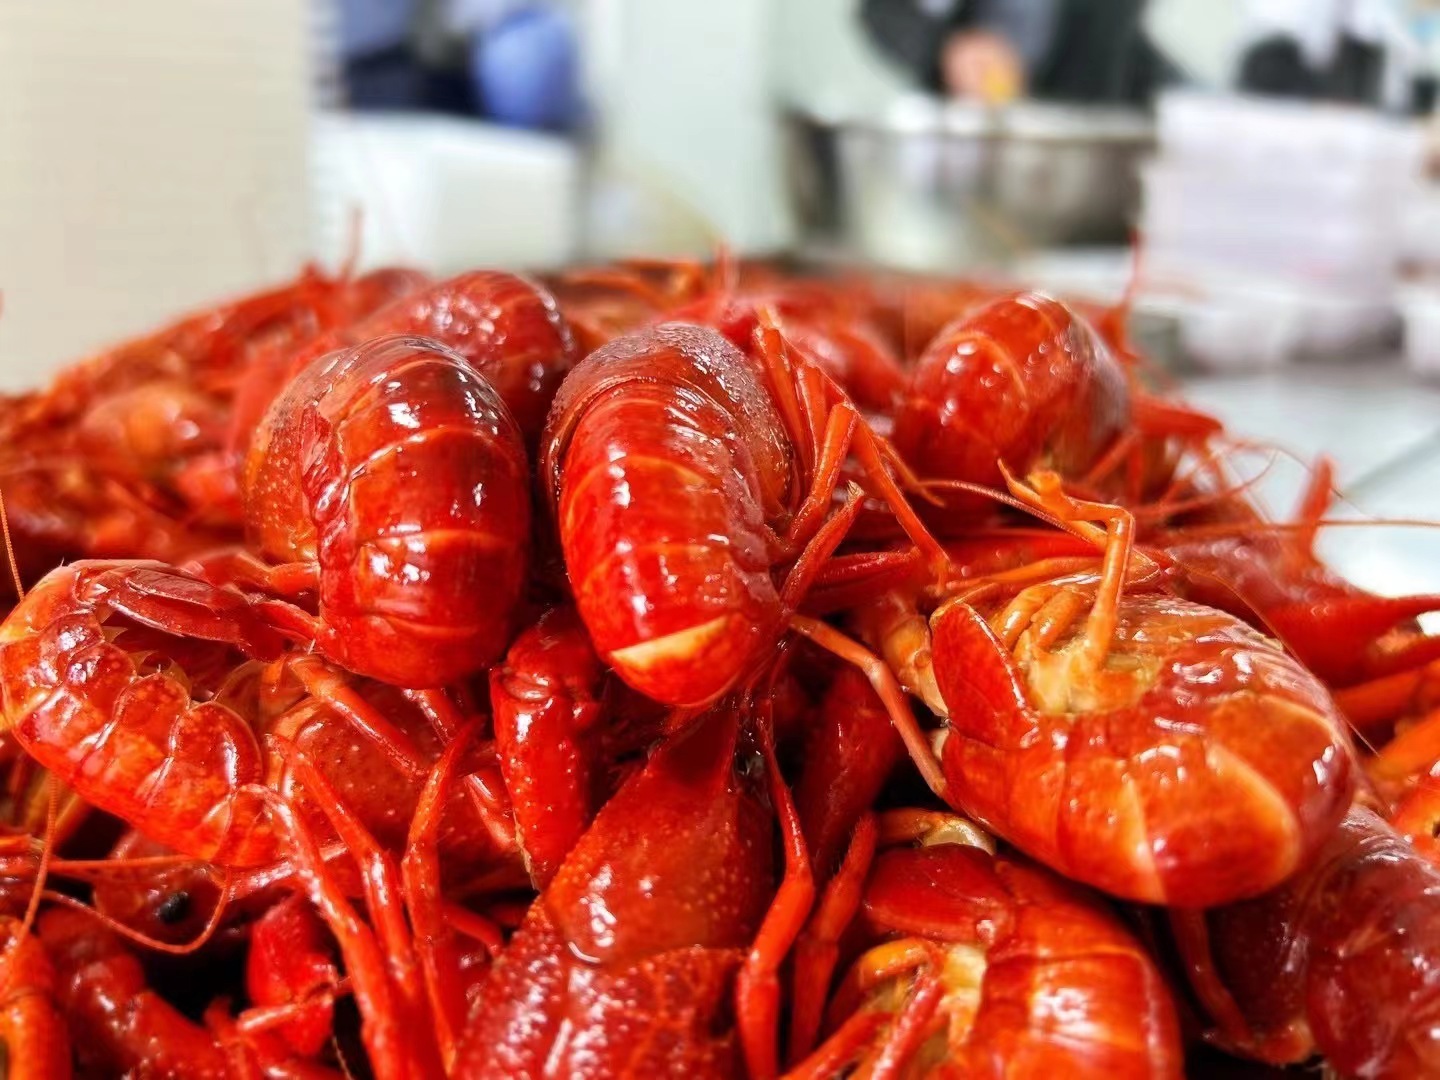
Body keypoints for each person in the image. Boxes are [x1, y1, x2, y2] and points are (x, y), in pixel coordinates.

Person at [860, 0, 1180, 105]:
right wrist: (948, 50)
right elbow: (886, 10)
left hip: (1082, 164)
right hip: (967, 155)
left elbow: (1126, 49)